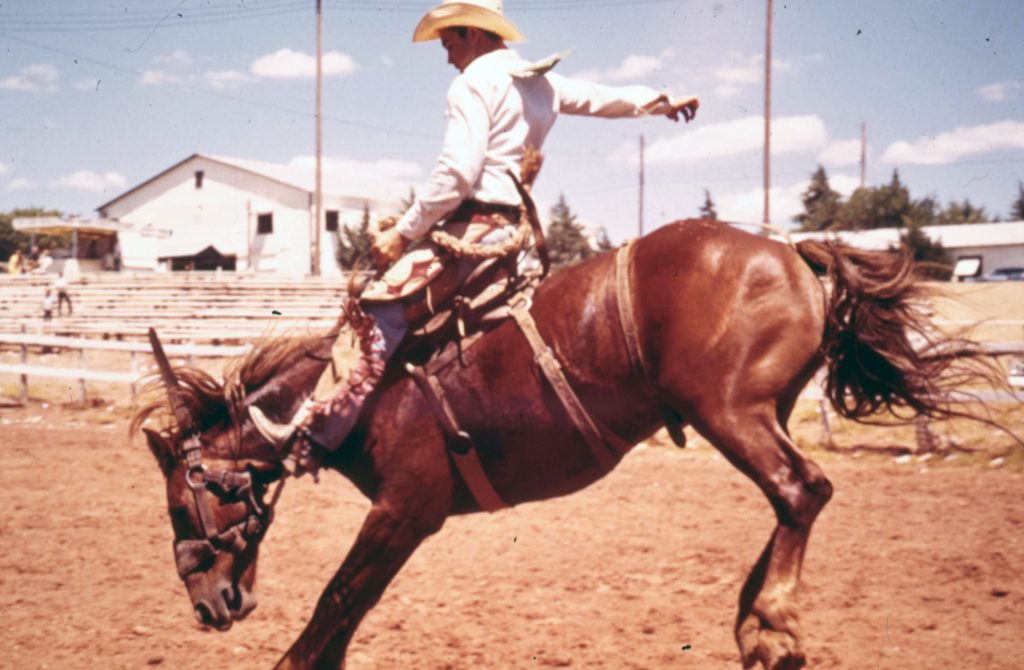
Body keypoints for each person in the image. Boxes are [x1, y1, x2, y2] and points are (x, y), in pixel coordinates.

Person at [249, 0, 700, 466]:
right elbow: (601, 98)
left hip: (475, 231)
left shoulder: (470, 85)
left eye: (449, 42)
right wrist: (662, 101)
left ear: (474, 34)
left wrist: (402, 234)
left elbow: (457, 175)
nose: (446, 55)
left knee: (377, 314)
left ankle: (320, 436)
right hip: (511, 237)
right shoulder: (541, 82)